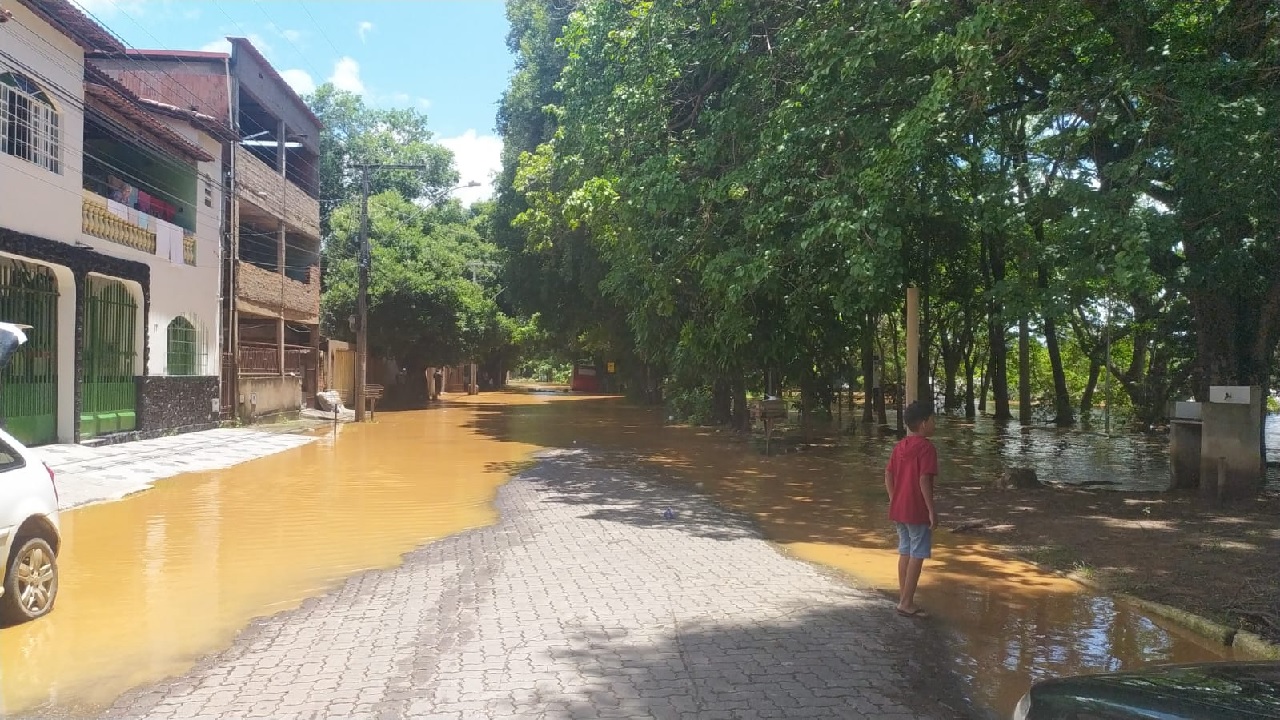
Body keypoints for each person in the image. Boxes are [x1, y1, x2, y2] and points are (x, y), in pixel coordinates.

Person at [884, 401, 938, 618]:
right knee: (918, 553)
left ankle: (904, 599)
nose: (934, 423)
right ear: (923, 423)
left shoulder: (900, 446)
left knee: (905, 550)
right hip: (916, 510)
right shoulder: (926, 448)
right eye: (932, 419)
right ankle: (906, 602)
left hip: (899, 509)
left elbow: (888, 474)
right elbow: (924, 479)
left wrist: (893, 498)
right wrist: (931, 509)